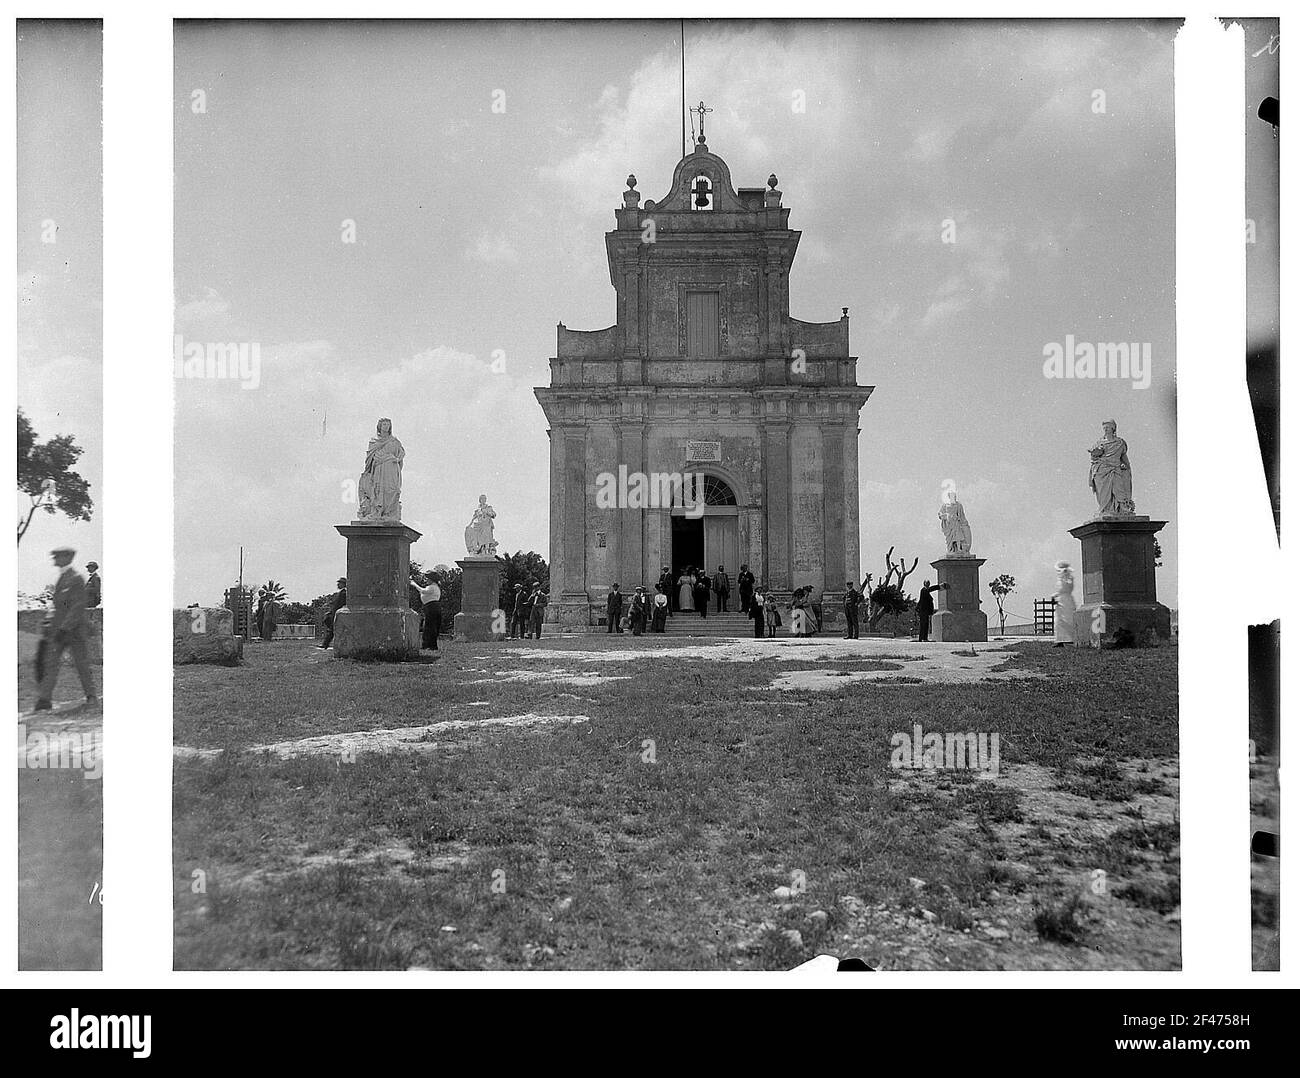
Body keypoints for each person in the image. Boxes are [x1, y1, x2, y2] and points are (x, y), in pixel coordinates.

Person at [32, 546, 98, 711]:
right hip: (59, 631)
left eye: (58, 557)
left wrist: (65, 628)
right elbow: (57, 607)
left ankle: (91, 697)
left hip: (74, 631)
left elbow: (77, 607)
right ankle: (44, 700)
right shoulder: (61, 579)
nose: (55, 561)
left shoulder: (76, 579)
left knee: (81, 665)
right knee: (51, 664)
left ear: (67, 558)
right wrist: (50, 624)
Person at [1053, 561, 1077, 647]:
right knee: (1059, 620)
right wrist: (1055, 595)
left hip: (1066, 601)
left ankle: (1069, 639)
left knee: (1068, 619)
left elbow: (1066, 588)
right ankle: (1060, 639)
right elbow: (1060, 590)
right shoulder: (1061, 579)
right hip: (1061, 600)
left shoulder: (1068, 579)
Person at [318, 577, 347, 649]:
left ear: (343, 584)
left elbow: (339, 604)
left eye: (339, 583)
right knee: (330, 626)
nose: (338, 584)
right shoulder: (340, 593)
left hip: (338, 613)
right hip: (334, 612)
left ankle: (325, 644)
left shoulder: (344, 593)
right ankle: (326, 644)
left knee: (331, 629)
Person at [418, 572, 442, 650]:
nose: (427, 580)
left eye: (428, 578)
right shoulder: (434, 587)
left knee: (429, 626)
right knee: (432, 626)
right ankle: (431, 645)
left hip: (431, 607)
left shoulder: (432, 587)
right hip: (432, 607)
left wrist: (414, 584)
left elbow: (423, 591)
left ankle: (427, 645)